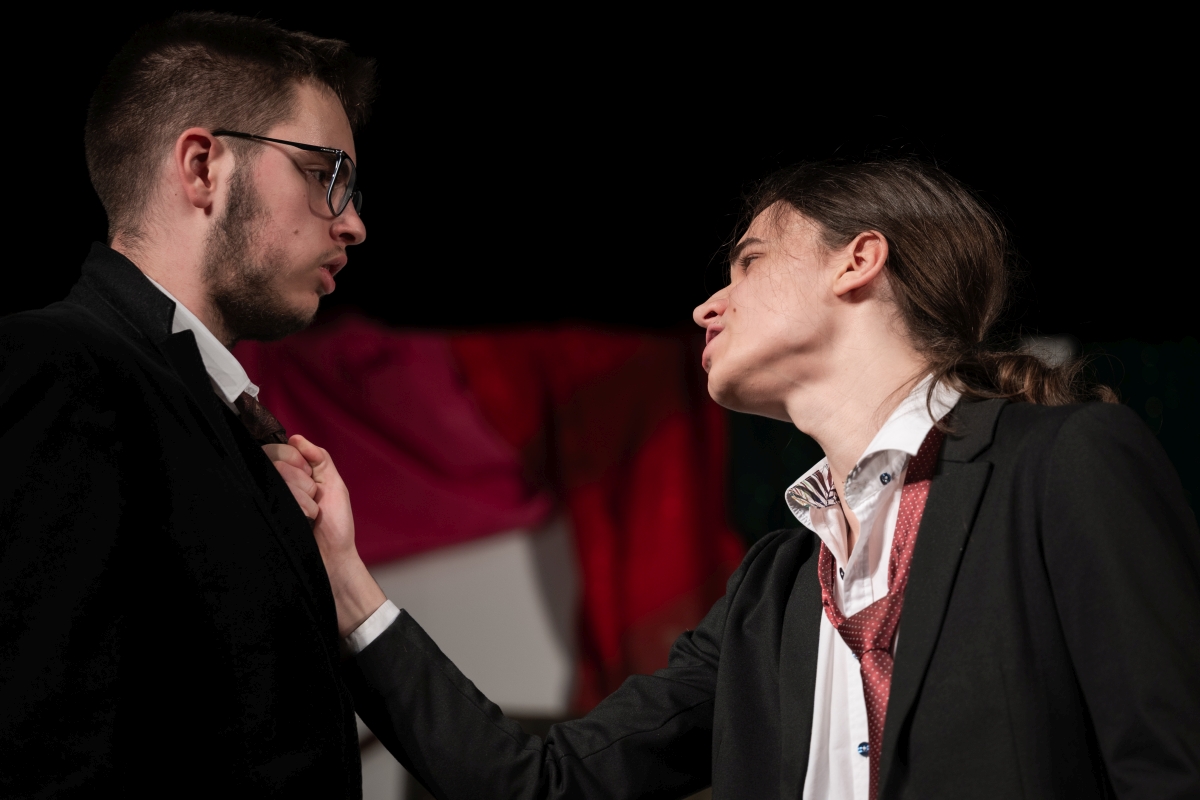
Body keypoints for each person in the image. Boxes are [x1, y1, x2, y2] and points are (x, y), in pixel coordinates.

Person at [271, 159, 1200, 798]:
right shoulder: (773, 591)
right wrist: (346, 584)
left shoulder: (1063, 463)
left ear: (859, 261)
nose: (706, 306)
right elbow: (540, 784)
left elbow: (1170, 769)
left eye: (749, 261)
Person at [0, 13, 380, 796]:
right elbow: (46, 748)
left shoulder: (198, 410)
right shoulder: (62, 370)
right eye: (326, 173)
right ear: (204, 167)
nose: (353, 222)